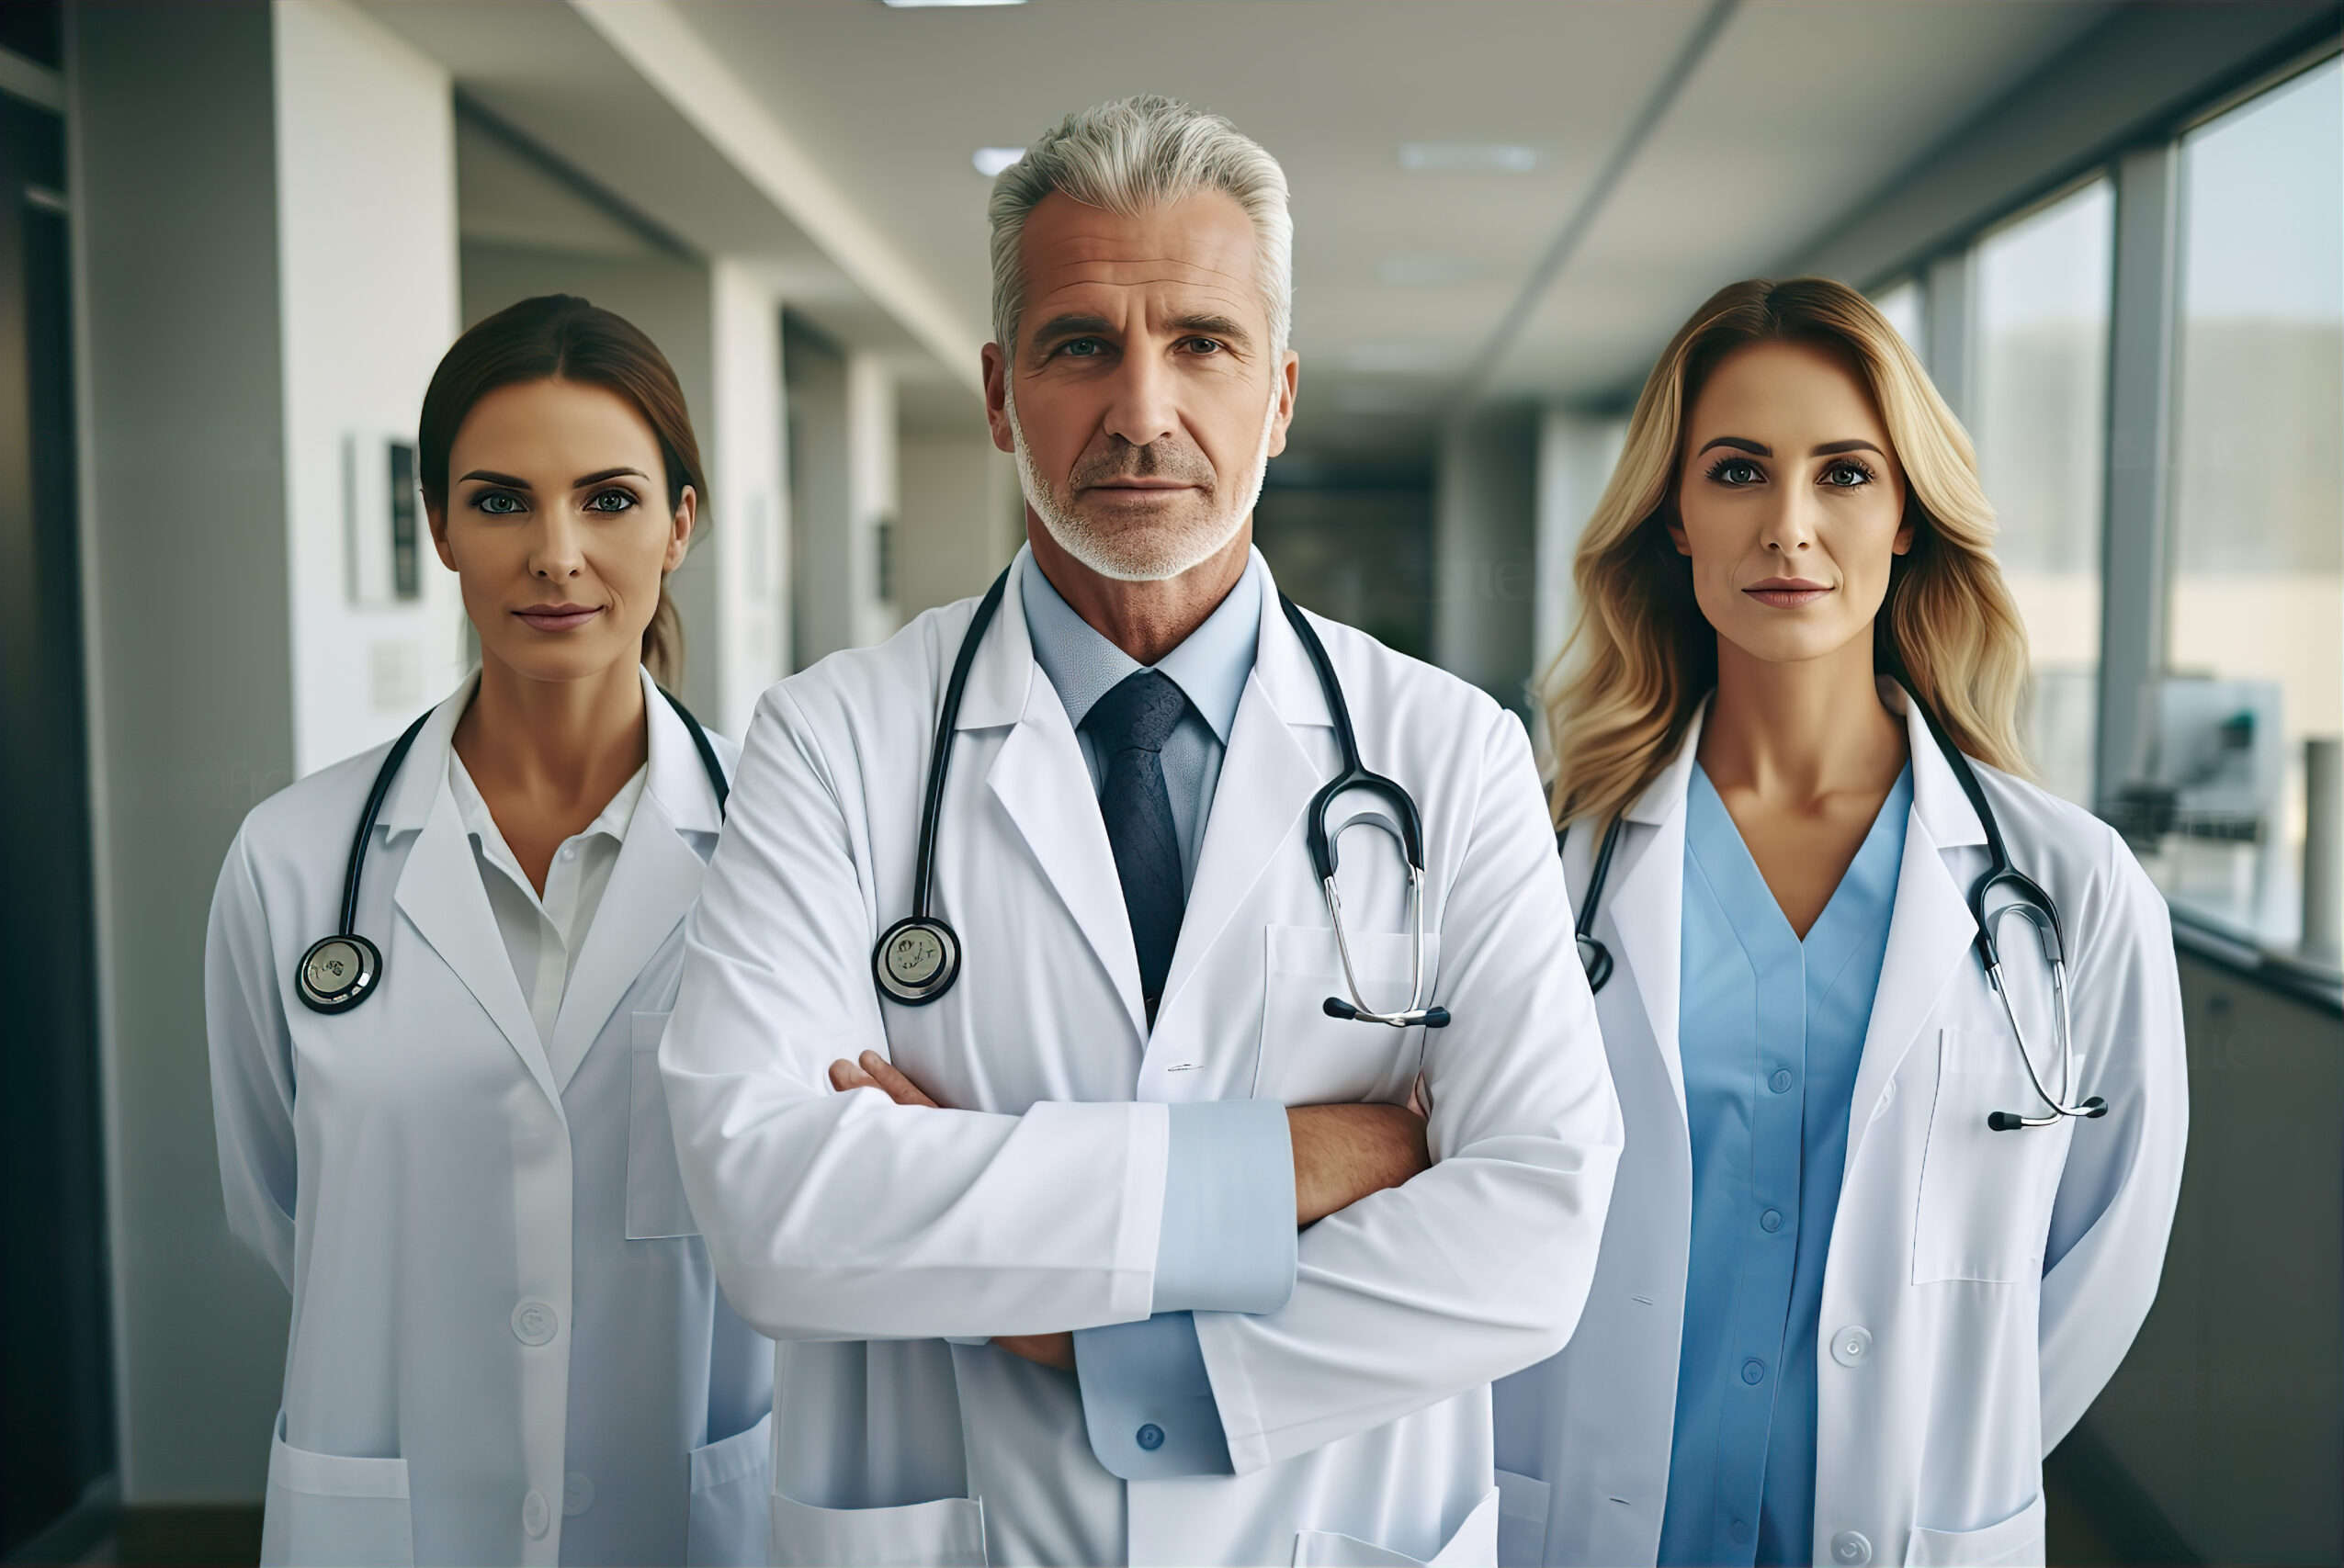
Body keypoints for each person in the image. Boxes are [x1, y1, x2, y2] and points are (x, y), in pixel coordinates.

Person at [659, 96, 1622, 1567]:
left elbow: (1533, 1234)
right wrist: (1297, 1167)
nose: (1143, 411)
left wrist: (1088, 1334)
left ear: (1280, 394)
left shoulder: (1452, 754)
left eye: (1203, 345)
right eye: (1080, 345)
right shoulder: (835, 741)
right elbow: (776, 1210)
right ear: (998, 392)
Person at [1491, 278, 2187, 1568]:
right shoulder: (1544, 860)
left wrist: (1949, 1463)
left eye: (1847, 475)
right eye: (1740, 471)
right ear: (1678, 519)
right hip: (1580, 1521)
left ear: (1910, 515)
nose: (1790, 528)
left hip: (1912, 1523)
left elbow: (2106, 1253)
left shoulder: (2068, 887)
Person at [206, 296, 772, 1567]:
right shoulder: (296, 860)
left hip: (690, 1513)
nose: (556, 553)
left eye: (610, 500)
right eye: (503, 500)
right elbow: (283, 1205)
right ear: (441, 527)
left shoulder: (790, 853)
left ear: (682, 524)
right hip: (398, 1514)